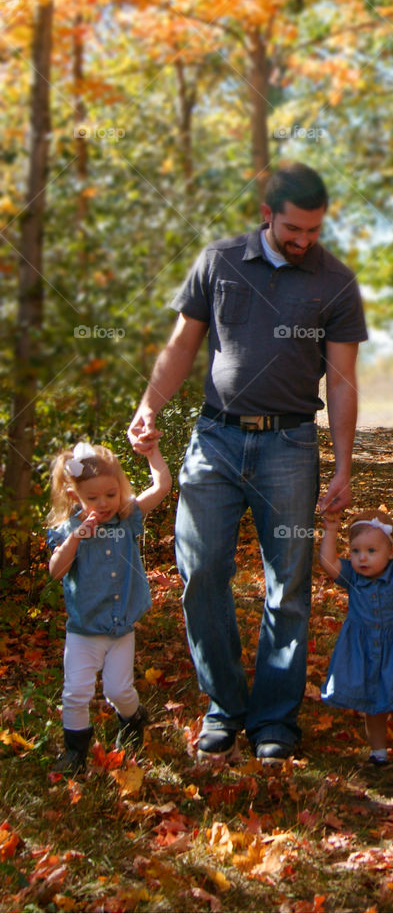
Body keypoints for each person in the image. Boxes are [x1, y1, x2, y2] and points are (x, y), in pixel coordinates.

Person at [127, 163, 367, 763]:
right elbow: (183, 345)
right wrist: (147, 405)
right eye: (293, 227)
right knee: (201, 571)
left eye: (314, 230)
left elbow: (341, 380)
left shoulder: (336, 282)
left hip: (289, 446)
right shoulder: (220, 260)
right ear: (267, 213)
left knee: (287, 587)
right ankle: (225, 706)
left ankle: (274, 720)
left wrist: (343, 465)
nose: (304, 240)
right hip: (215, 440)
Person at [47, 439, 172, 773]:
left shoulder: (127, 517)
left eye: (110, 494)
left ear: (120, 489)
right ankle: (75, 752)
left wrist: (151, 452)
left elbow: (162, 485)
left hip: (120, 628)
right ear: (75, 496)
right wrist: (76, 538)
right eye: (92, 498)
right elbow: (56, 571)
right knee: (75, 692)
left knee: (119, 689)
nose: (103, 504)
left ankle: (133, 719)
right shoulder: (69, 528)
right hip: (84, 630)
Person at [318, 508, 393, 763]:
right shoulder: (353, 577)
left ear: (391, 552)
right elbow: (328, 563)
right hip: (364, 648)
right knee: (374, 701)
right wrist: (330, 529)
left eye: (372, 551)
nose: (362, 558)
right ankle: (378, 750)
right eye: (356, 551)